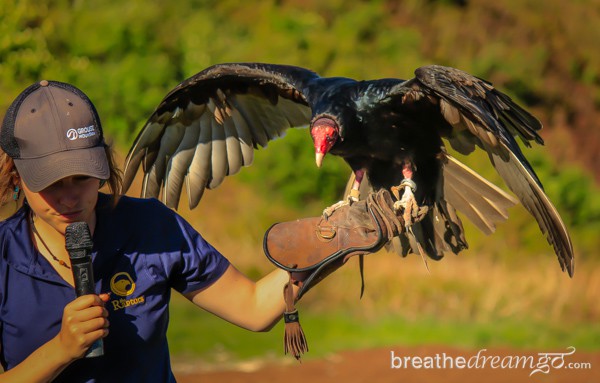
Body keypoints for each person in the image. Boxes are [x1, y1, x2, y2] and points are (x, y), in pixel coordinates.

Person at [0, 80, 302, 382]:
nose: (69, 198)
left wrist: (326, 240)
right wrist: (60, 350)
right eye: (50, 183)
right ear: (16, 176)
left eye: (81, 176)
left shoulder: (150, 226)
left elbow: (253, 306)